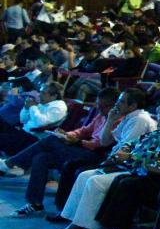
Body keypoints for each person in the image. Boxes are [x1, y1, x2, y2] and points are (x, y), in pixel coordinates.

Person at [58, 103, 160, 229]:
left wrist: (129, 156)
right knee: (84, 175)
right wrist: (123, 149)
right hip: (127, 163)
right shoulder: (159, 131)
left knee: (95, 182)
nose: (157, 124)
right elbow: (133, 142)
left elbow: (159, 156)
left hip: (141, 170)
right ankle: (76, 220)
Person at [1, 88, 118, 217]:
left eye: (103, 106)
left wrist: (77, 142)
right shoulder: (101, 115)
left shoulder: (116, 120)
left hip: (96, 155)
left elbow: (101, 144)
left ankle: (11, 163)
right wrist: (68, 135)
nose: (99, 109)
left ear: (114, 106)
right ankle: (35, 204)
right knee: (41, 158)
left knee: (50, 140)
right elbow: (84, 130)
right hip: (82, 147)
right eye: (97, 105)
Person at [0, 81, 67, 155]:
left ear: (54, 96)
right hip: (23, 132)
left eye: (43, 93)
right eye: (40, 92)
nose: (39, 95)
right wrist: (26, 108)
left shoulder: (58, 107)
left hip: (31, 137)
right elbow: (23, 120)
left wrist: (33, 107)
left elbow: (40, 122)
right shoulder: (44, 103)